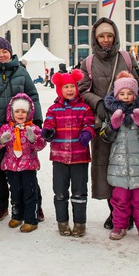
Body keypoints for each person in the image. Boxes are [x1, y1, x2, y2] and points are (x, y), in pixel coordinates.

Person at [77, 18, 139, 231]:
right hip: (104, 124)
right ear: (95, 38)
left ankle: (134, 211)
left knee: (132, 166)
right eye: (101, 36)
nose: (106, 40)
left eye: (109, 35)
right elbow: (82, 90)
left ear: (115, 36)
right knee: (108, 168)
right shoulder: (87, 63)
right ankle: (116, 211)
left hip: (130, 125)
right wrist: (97, 103)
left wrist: (137, 105)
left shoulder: (127, 57)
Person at [0, 37, 43, 223]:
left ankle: (36, 206)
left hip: (20, 129)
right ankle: (1, 206)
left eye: (4, 51)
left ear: (10, 52)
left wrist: (36, 120)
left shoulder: (21, 72)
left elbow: (32, 95)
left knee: (26, 169)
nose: (1, 55)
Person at [101, 70, 139, 243]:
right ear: (116, 95)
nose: (125, 97)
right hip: (119, 166)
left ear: (135, 94)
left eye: (129, 93)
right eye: (122, 93)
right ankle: (119, 226)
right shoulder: (111, 112)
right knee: (120, 200)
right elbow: (105, 137)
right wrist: (113, 126)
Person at [41, 69, 94, 237]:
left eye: (72, 86)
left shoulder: (84, 108)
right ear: (59, 90)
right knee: (60, 192)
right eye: (66, 87)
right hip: (60, 158)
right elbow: (48, 124)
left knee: (79, 192)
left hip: (80, 157)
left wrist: (87, 133)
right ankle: (62, 222)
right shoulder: (53, 109)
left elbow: (89, 124)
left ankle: (80, 223)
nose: (70, 90)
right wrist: (48, 131)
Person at [0, 93, 46, 233]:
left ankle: (31, 219)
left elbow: (41, 145)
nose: (20, 114)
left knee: (29, 193)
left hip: (28, 166)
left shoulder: (33, 128)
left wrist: (34, 139)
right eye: (17, 111)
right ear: (11, 112)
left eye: (23, 111)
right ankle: (17, 215)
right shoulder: (6, 128)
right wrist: (2, 140)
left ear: (29, 113)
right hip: (12, 166)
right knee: (15, 192)